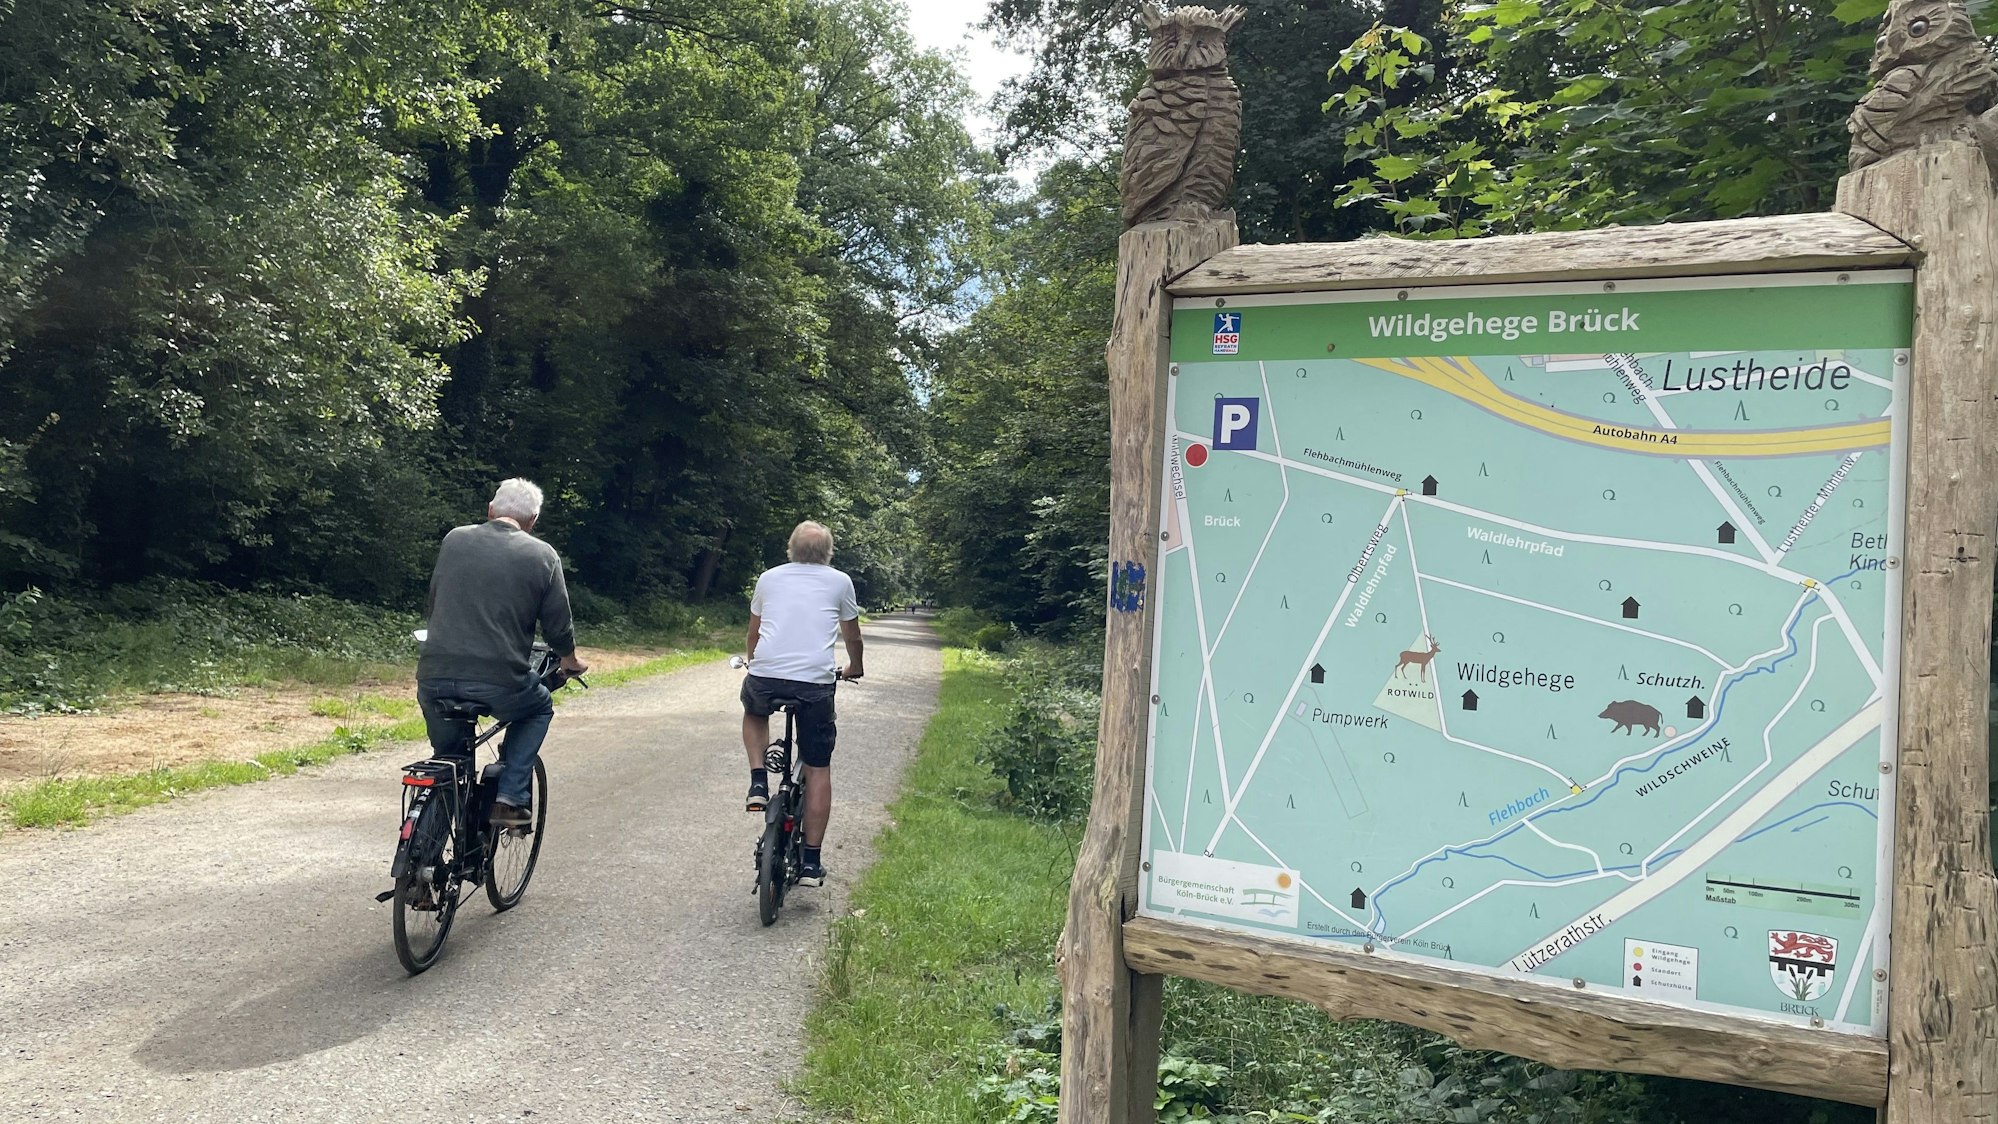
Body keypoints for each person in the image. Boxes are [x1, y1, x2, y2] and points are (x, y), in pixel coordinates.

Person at [416, 478, 588, 827]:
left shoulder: (454, 539)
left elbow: (434, 601)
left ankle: (423, 848)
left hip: (433, 677)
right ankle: (510, 795)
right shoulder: (543, 555)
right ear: (532, 521)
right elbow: (558, 628)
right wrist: (570, 661)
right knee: (538, 707)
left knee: (448, 761)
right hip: (499, 682)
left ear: (490, 510)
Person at [739, 520, 863, 887]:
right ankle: (810, 863)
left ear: (791, 549)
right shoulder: (840, 581)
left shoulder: (768, 578)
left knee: (754, 710)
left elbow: (754, 633)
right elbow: (852, 637)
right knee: (818, 768)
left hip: (766, 675)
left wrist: (755, 663)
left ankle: (758, 782)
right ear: (828, 553)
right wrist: (854, 666)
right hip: (814, 684)